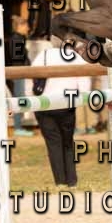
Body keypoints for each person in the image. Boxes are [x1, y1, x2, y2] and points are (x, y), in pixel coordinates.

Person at [30, 40, 78, 187]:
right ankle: (72, 180)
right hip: (67, 104)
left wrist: (29, 103)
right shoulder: (74, 56)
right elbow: (83, 80)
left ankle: (60, 181)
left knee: (53, 144)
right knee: (68, 143)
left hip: (44, 104)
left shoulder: (42, 55)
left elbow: (30, 77)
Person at [6, 17, 34, 137]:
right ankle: (17, 126)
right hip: (18, 73)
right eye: (26, 26)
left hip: (18, 72)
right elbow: (17, 59)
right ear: (19, 26)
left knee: (19, 98)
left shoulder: (18, 38)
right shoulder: (17, 39)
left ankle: (18, 125)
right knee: (18, 99)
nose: (28, 28)